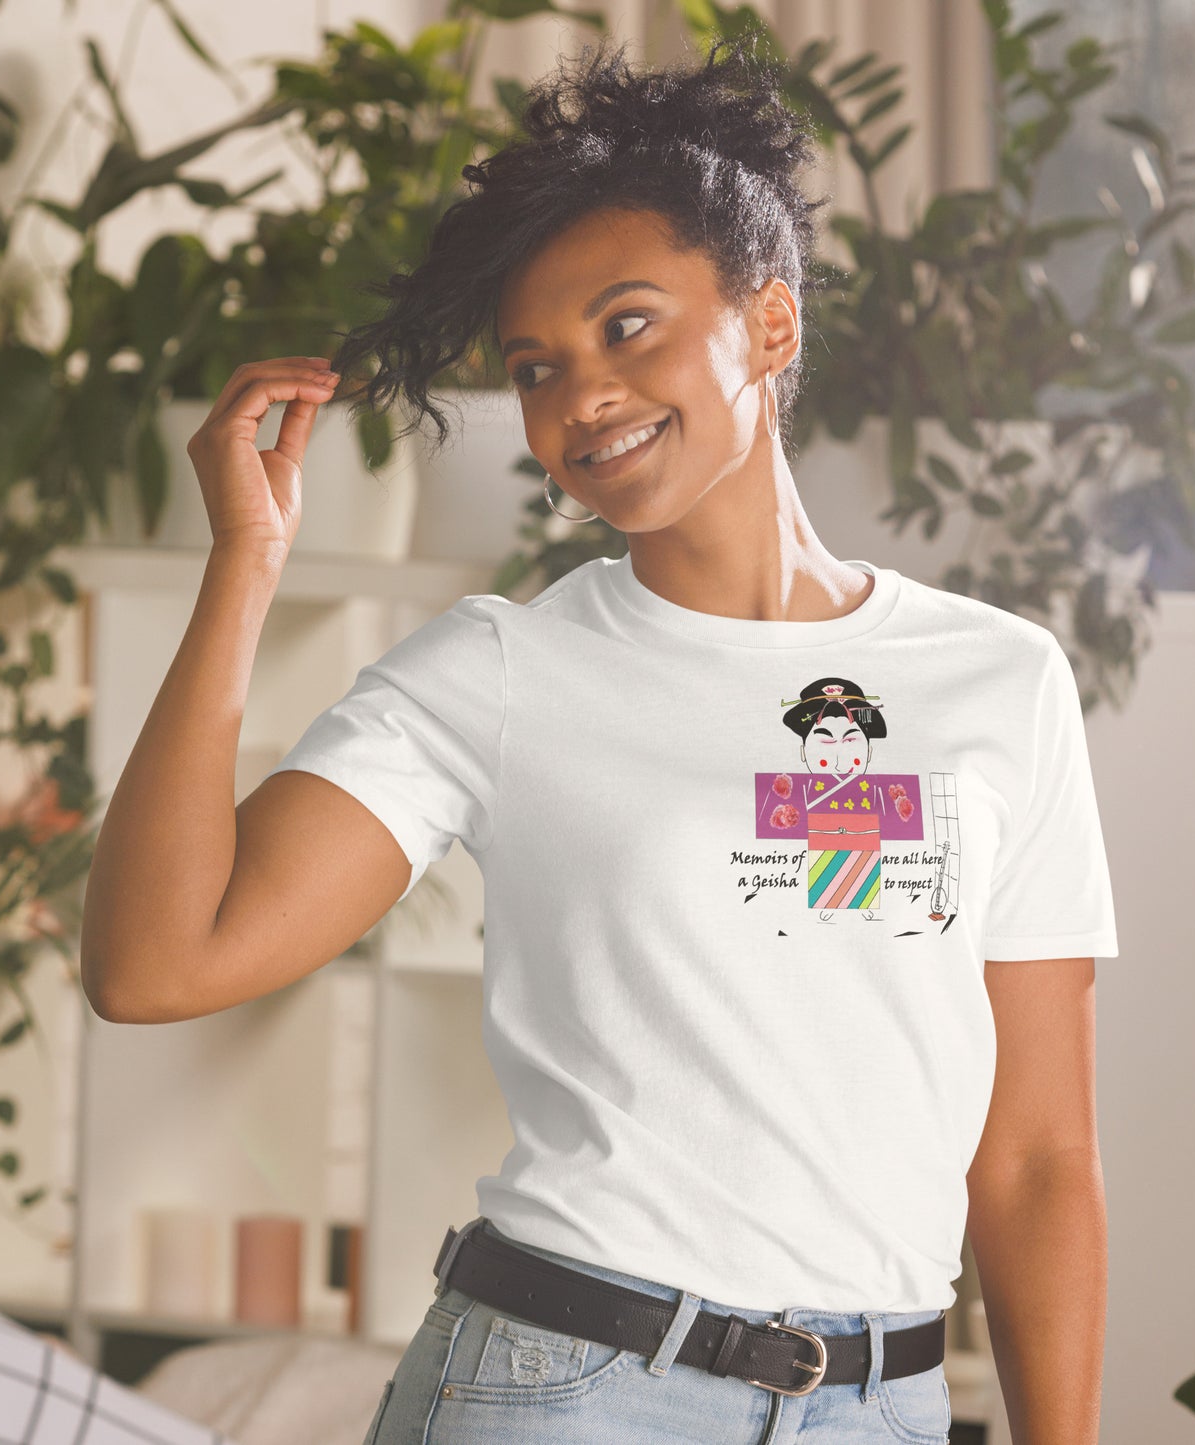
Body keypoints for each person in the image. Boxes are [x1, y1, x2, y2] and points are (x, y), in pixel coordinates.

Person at [80, 30, 1119, 1445]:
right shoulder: (501, 671)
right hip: (564, 1389)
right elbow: (154, 962)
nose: (578, 399)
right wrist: (244, 567)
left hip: (883, 1406)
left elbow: (1040, 1155)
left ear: (769, 323)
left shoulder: (997, 679)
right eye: (534, 367)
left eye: (625, 325)